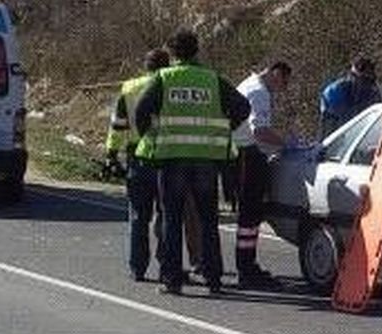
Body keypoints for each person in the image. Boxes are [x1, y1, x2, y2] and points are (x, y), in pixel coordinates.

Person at [133, 31, 250, 296]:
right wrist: (224, 128)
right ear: (196, 51)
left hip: (172, 158)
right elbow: (243, 107)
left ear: (172, 54)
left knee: (172, 219)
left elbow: (141, 111)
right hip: (207, 160)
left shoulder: (164, 78)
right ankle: (213, 278)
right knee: (208, 220)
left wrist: (151, 138)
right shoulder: (212, 79)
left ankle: (172, 279)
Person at [106, 48, 171, 283]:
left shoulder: (129, 88)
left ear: (146, 66)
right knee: (166, 214)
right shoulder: (170, 86)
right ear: (167, 65)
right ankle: (167, 263)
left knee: (138, 216)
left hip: (137, 155)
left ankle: (137, 267)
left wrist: (111, 154)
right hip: (166, 155)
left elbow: (118, 125)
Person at [232, 61, 292, 289]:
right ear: (276, 74)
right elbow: (260, 131)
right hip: (248, 155)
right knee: (250, 213)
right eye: (283, 82)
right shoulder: (259, 93)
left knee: (250, 214)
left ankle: (246, 265)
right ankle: (246, 269)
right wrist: (286, 144)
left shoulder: (250, 85)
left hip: (240, 152)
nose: (283, 88)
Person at [319, 57, 382, 138]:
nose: (368, 85)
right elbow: (328, 132)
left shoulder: (373, 93)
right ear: (354, 77)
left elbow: (380, 121)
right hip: (341, 141)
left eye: (371, 81)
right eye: (365, 80)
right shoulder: (334, 92)